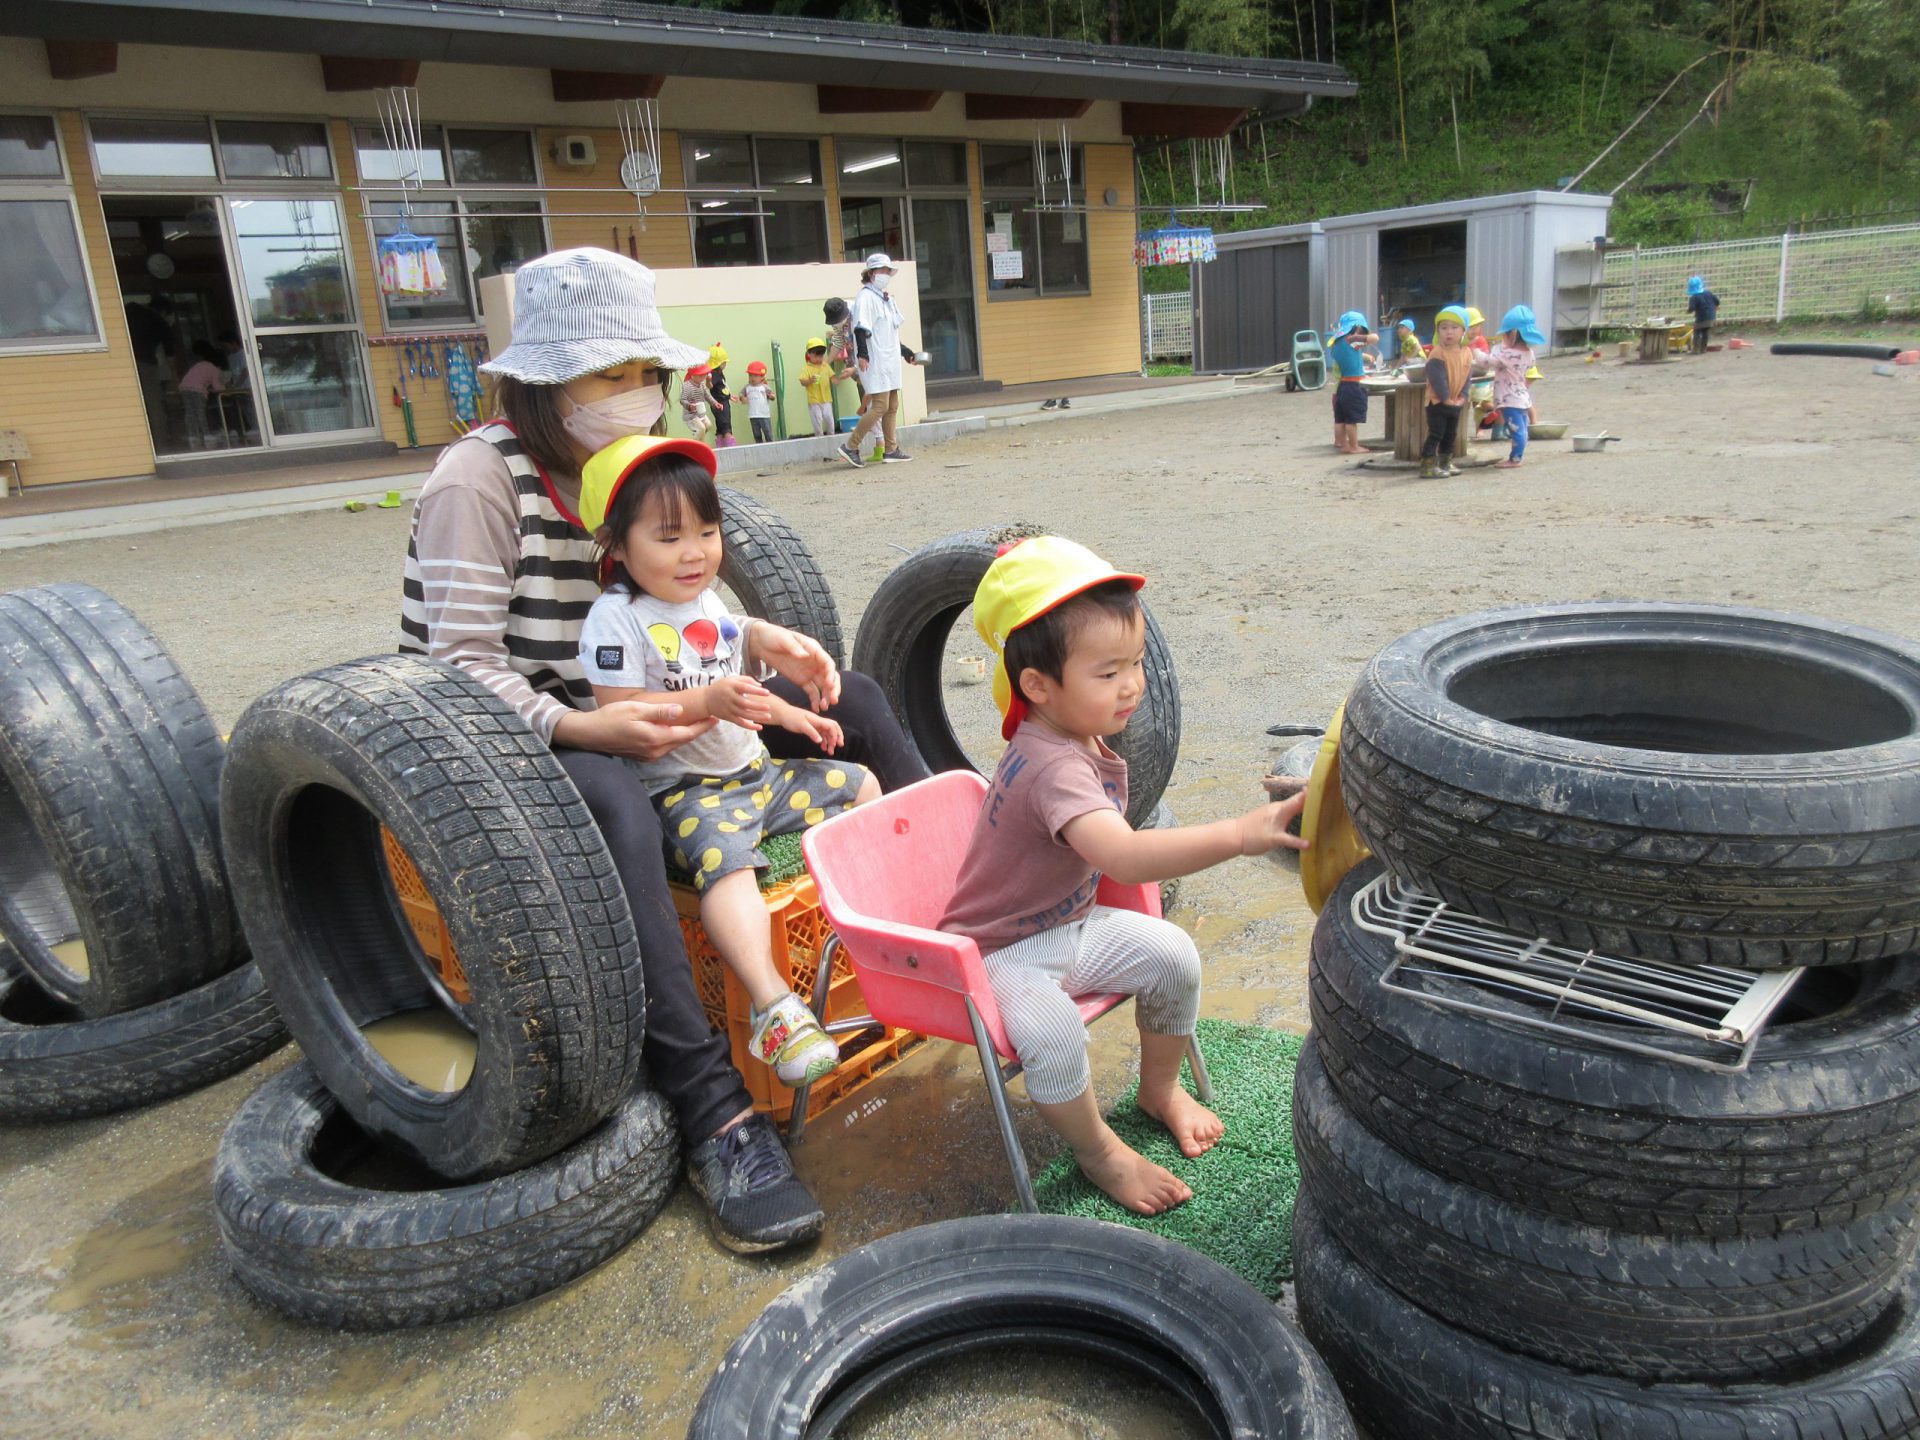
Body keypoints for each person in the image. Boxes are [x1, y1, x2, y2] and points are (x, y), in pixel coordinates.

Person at [397, 246, 930, 1255]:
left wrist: (765, 645)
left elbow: (687, 614)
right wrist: (584, 727)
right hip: (526, 732)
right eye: (612, 375)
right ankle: (714, 1112)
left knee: (852, 697)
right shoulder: (479, 478)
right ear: (547, 383)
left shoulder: (643, 470)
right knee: (612, 801)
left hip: (662, 705)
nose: (638, 394)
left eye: (647, 372)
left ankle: (973, 907)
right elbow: (455, 670)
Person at [939, 537, 1307, 1215]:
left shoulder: (1070, 730)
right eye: (1108, 673)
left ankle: (1159, 1090)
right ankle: (1099, 1152)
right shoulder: (1051, 764)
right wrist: (1241, 834)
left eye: (1135, 663)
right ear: (1038, 686)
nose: (1133, 684)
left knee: (1173, 955)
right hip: (997, 954)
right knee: (1053, 1034)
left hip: (1068, 925)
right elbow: (1126, 858)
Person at [577, 434, 880, 1086]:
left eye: (707, 532)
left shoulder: (706, 602)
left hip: (757, 776)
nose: (695, 552)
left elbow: (737, 680)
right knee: (728, 866)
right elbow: (621, 709)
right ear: (616, 545)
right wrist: (706, 702)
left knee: (862, 786)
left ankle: (877, 930)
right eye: (669, 537)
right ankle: (775, 1006)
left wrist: (793, 715)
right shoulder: (615, 618)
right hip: (687, 792)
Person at [837, 253, 922, 470]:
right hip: (875, 360)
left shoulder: (886, 299)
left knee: (892, 405)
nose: (885, 274)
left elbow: (890, 334)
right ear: (871, 273)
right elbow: (861, 328)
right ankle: (850, 446)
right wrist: (863, 355)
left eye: (887, 271)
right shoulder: (865, 297)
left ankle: (891, 449)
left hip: (889, 359)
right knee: (880, 406)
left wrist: (907, 353)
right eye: (882, 270)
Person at [1419, 307, 1487, 480]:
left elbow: (1467, 375)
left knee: (1450, 434)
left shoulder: (1466, 352)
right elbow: (1437, 379)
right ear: (1438, 331)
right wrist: (1446, 398)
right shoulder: (1437, 353)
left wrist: (1463, 395)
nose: (1449, 332)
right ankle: (1427, 465)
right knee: (1436, 433)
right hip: (1437, 402)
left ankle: (1445, 462)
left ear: (1463, 330)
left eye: (1454, 327)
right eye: (1444, 328)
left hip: (1456, 400)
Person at [1491, 305, 1546, 470]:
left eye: (1505, 334)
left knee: (1517, 431)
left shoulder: (1509, 354)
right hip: (1521, 397)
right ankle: (1517, 456)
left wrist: (1475, 353)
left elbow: (1488, 361)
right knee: (1522, 429)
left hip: (1510, 399)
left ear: (1513, 334)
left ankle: (1515, 459)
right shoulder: (1529, 353)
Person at [1327, 310, 1374, 455]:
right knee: (1351, 420)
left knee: (1340, 418)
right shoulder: (1351, 340)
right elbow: (1374, 338)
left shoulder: (1336, 342)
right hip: (1354, 384)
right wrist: (1363, 335)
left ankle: (1343, 444)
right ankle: (1354, 446)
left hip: (1342, 384)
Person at [177, 341, 225, 451]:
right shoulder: (214, 369)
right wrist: (225, 388)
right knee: (200, 412)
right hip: (198, 390)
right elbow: (218, 388)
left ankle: (192, 436)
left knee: (190, 413)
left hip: (184, 388)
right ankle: (206, 435)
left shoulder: (198, 365)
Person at [798, 339, 837, 437]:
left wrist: (837, 379)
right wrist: (809, 380)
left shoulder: (825, 366)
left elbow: (833, 377)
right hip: (814, 401)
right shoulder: (806, 368)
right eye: (816, 356)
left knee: (829, 419)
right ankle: (819, 438)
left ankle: (831, 437)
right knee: (817, 421)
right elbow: (802, 382)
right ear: (809, 354)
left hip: (827, 399)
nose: (819, 359)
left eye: (821, 356)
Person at [706, 344, 739, 449]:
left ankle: (721, 447)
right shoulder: (714, 374)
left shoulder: (718, 374)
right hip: (721, 404)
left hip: (719, 402)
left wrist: (729, 396)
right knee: (726, 427)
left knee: (720, 427)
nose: (725, 364)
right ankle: (731, 448)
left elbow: (721, 388)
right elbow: (710, 386)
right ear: (718, 363)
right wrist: (708, 381)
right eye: (724, 362)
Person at [680, 362, 715, 445]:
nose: (703, 378)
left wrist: (715, 403)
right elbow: (682, 400)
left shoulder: (702, 385)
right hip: (691, 415)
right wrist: (689, 406)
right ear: (693, 375)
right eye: (700, 376)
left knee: (708, 425)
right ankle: (695, 444)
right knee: (701, 428)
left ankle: (698, 440)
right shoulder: (687, 386)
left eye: (704, 375)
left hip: (700, 414)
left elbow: (707, 396)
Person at [741, 361, 775, 444]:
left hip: (764, 414)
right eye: (750, 375)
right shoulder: (747, 387)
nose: (752, 378)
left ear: (762, 377)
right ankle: (759, 445)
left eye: (755, 376)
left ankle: (770, 445)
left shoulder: (764, 387)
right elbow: (741, 394)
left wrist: (771, 396)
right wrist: (742, 398)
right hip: (753, 415)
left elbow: (772, 395)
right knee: (756, 434)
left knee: (767, 432)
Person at [1687, 276, 1721, 354]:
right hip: (1711, 317)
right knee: (1705, 332)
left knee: (1697, 332)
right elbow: (1717, 301)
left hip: (1701, 318)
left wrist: (1688, 311)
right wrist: (1716, 306)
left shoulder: (1694, 297)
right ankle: (1703, 349)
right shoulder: (1708, 293)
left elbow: (1692, 308)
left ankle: (1696, 349)